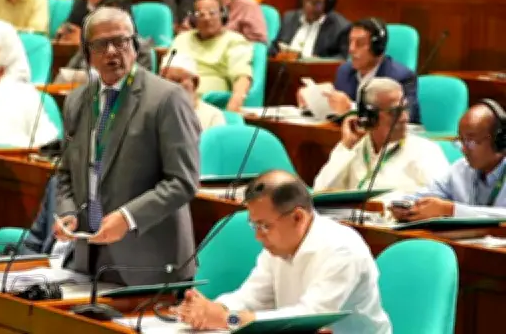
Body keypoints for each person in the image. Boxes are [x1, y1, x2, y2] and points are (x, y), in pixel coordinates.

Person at [53, 7, 200, 286]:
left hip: (150, 263)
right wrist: (68, 211)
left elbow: (183, 181)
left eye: (120, 41)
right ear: (87, 54)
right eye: (101, 44)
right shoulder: (77, 101)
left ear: (134, 46)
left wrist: (128, 217)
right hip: (90, 257)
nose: (112, 51)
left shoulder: (167, 99)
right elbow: (66, 172)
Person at [175, 170, 392, 333]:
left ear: (298, 217)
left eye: (264, 226)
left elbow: (308, 318)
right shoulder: (278, 248)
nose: (258, 236)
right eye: (254, 225)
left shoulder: (342, 249)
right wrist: (210, 309)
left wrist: (228, 319)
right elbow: (252, 296)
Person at [313, 77, 447, 192]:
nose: (405, 118)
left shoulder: (425, 151)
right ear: (370, 117)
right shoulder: (354, 148)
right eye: (395, 112)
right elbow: (320, 191)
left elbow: (443, 198)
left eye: (405, 109)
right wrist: (346, 147)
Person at [392, 101, 506, 221]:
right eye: (461, 140)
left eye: (471, 141)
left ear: (500, 140)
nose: (463, 149)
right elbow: (423, 196)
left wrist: (451, 210)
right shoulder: (460, 169)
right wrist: (406, 206)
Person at [296, 18, 419, 123]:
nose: (351, 49)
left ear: (378, 48)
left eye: (359, 43)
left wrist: (351, 108)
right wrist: (313, 101)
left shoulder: (400, 77)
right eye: (350, 42)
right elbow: (335, 113)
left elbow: (406, 117)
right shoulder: (345, 71)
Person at [169, 0, 254, 112]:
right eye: (201, 14)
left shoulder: (234, 40)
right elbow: (166, 72)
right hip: (176, 99)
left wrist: (234, 106)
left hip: (210, 105)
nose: (207, 18)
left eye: (212, 13)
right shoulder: (182, 39)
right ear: (193, 19)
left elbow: (242, 76)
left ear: (223, 16)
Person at [269, 0, 350, 59]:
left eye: (316, 3)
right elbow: (273, 47)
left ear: (327, 3)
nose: (309, 6)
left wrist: (320, 61)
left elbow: (343, 58)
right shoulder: (288, 18)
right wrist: (278, 55)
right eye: (307, 0)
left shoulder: (340, 27)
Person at [160, 52, 226, 131]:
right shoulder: (155, 114)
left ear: (194, 82)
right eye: (163, 82)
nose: (169, 88)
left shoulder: (213, 116)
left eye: (176, 81)